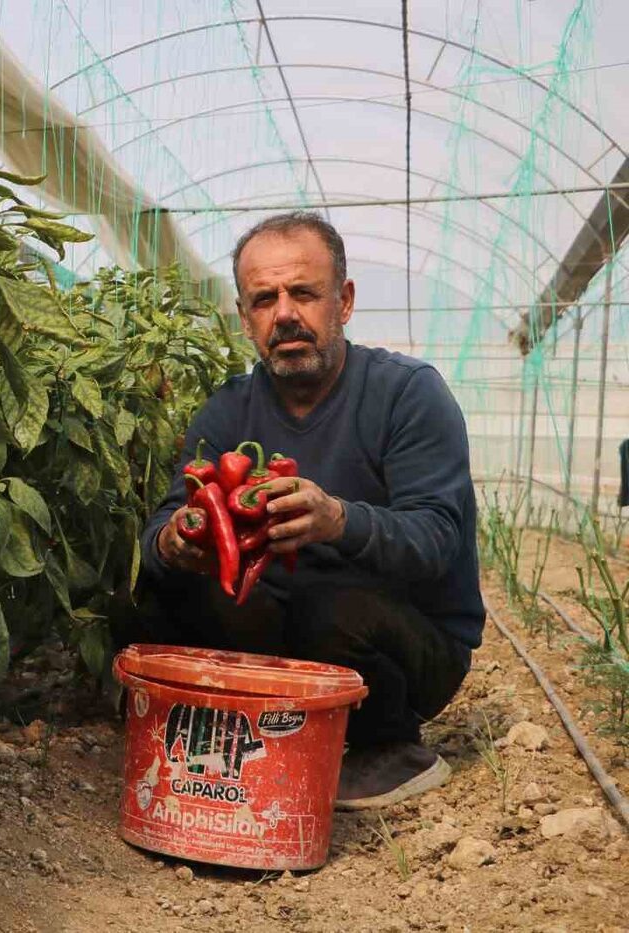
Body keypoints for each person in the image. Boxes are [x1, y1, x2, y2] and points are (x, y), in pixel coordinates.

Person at [138, 211, 484, 810]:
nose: (285, 314)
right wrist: (173, 542)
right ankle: (234, 735)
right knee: (157, 594)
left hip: (409, 639)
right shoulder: (229, 411)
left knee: (330, 606)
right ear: (246, 320)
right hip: (289, 624)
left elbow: (437, 539)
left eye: (303, 292)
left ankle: (390, 744)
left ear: (343, 302)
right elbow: (166, 521)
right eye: (264, 299)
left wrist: (339, 521)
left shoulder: (408, 394)